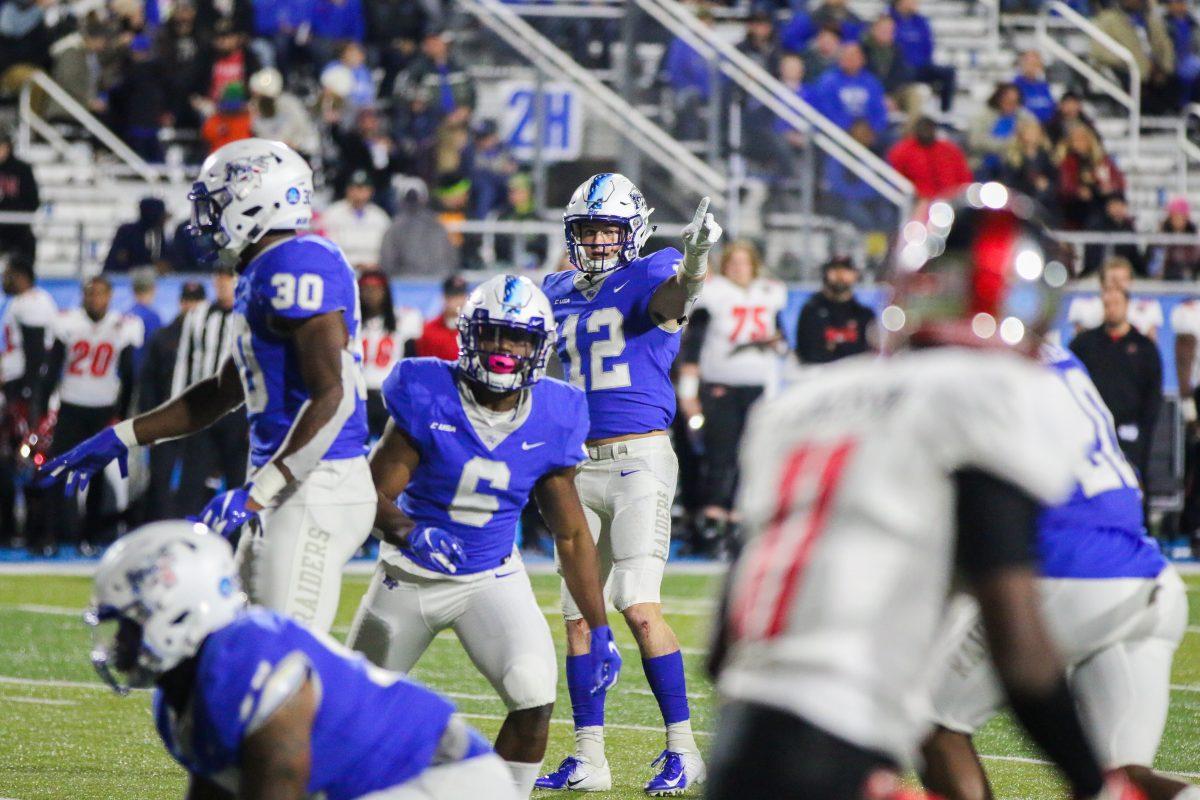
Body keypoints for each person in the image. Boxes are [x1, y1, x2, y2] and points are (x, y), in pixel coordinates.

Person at [706, 186, 1132, 800]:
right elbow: (1017, 640)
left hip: (739, 746)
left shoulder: (801, 403)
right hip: (838, 744)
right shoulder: (992, 393)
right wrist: (1094, 784)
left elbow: (724, 648)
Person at [37, 139, 375, 634]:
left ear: (258, 199)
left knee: (286, 659)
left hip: (314, 485)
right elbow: (221, 391)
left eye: (216, 203)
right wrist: (123, 436)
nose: (206, 218)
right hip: (287, 483)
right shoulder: (263, 269)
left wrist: (259, 492)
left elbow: (334, 394)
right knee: (236, 641)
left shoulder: (297, 264)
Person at [347, 274, 621, 799]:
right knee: (354, 712)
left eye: (517, 338)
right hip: (410, 578)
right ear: (469, 336)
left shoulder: (555, 413)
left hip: (490, 577)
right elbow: (368, 494)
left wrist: (599, 624)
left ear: (538, 347)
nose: (503, 349)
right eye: (493, 334)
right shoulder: (428, 392)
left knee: (533, 693)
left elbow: (571, 536)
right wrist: (410, 532)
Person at [921, 343, 1193, 800]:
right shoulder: (1057, 354)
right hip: (1149, 576)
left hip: (1071, 574)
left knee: (930, 721)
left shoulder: (963, 358)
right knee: (1124, 780)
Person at [86, 521, 519, 800]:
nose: (119, 645)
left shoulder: (248, 659)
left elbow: (278, 789)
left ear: (178, 611)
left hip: (444, 780)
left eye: (129, 625)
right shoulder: (179, 697)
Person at [537, 174, 722, 794]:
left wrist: (695, 261)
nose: (594, 241)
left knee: (638, 606)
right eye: (585, 230)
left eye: (606, 230)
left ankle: (683, 748)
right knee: (576, 619)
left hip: (638, 460)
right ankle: (590, 756)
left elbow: (677, 297)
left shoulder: (652, 272)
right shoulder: (556, 288)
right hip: (574, 468)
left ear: (632, 233)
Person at [678, 241, 788, 556]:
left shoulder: (769, 293)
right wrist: (688, 392)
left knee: (750, 457)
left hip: (758, 387)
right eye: (733, 262)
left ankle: (740, 523)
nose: (739, 268)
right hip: (720, 385)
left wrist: (775, 343)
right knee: (720, 455)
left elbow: (783, 343)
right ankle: (712, 524)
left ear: (755, 265)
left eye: (744, 262)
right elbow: (694, 346)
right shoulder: (714, 294)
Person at [41, 275, 144, 555]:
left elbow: (130, 375)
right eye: (90, 293)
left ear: (110, 296)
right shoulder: (68, 322)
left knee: (97, 477)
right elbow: (51, 370)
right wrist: (42, 411)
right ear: (83, 295)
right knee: (58, 470)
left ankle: (89, 537)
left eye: (100, 293)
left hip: (103, 409)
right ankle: (52, 535)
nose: (95, 299)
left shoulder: (124, 325)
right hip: (71, 406)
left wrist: (121, 415)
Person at [171, 265, 249, 517]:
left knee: (239, 479)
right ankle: (189, 538)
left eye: (229, 279)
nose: (223, 284)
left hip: (238, 412)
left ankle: (239, 545)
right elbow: (184, 362)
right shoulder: (199, 315)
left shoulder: (251, 316)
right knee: (192, 482)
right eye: (220, 279)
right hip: (203, 409)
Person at [1070, 286, 1163, 483]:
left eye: (1116, 304)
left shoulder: (1144, 347)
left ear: (1127, 305)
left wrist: (1144, 432)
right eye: (1107, 304)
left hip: (1130, 434)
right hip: (1091, 434)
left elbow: (1153, 393)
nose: (1111, 309)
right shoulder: (1084, 344)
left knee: (1131, 484)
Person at [138, 280, 207, 522]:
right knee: (160, 479)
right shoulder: (163, 336)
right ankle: (159, 531)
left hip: (200, 421)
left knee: (197, 480)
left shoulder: (212, 337)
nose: (191, 306)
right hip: (168, 420)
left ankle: (193, 532)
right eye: (187, 301)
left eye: (196, 301)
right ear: (180, 302)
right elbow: (148, 383)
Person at [0, 255, 55, 546]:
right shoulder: (27, 302)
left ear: (21, 276)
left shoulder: (31, 303)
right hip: (20, 390)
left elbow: (35, 356)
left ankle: (35, 532)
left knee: (29, 461)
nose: (4, 280)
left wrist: (30, 397)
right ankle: (17, 529)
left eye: (8, 275)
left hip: (25, 394)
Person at [358, 269, 421, 439]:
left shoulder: (405, 318)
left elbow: (410, 361)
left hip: (389, 395)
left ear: (386, 292)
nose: (371, 294)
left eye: (376, 289)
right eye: (366, 289)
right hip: (360, 395)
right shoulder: (351, 322)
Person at [795, 256, 876, 365]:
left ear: (855, 275)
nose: (840, 275)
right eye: (835, 270)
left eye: (846, 270)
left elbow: (868, 354)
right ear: (825, 274)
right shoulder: (811, 311)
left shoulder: (864, 314)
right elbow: (809, 353)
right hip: (820, 377)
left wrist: (836, 347)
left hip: (855, 377)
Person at [1067, 256, 1162, 342]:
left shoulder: (1148, 306)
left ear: (1131, 281)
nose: (1118, 285)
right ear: (1102, 282)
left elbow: (1151, 343)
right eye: (1114, 280)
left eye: (1123, 280)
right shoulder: (1083, 305)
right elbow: (1078, 343)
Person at [1056, 123, 1125, 230]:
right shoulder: (1067, 162)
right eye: (1076, 140)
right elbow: (1064, 187)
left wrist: (1111, 190)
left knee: (1119, 214)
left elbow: (1118, 182)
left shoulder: (1102, 160)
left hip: (1102, 199)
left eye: (1082, 139)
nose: (1079, 143)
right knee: (1095, 217)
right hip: (1077, 205)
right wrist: (1077, 191)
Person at [890, 0, 956, 113]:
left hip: (921, 67)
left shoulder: (921, 21)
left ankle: (945, 112)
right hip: (899, 68)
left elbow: (928, 46)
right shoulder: (889, 19)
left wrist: (924, 62)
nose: (916, 2)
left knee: (948, 72)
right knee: (906, 72)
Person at [886, 117, 973, 202]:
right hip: (918, 201)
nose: (926, 132)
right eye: (923, 129)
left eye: (929, 128)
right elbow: (897, 180)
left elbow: (964, 177)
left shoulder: (950, 150)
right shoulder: (902, 151)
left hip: (951, 200)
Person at [320, 170, 391, 271]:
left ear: (370, 191)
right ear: (347, 190)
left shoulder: (380, 216)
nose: (358, 193)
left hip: (373, 272)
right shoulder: (332, 214)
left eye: (363, 189)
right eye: (354, 188)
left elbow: (387, 250)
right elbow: (329, 249)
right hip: (342, 269)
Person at [811, 42, 889, 135]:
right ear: (840, 59)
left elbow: (879, 109)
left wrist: (872, 129)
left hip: (870, 133)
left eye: (854, 56)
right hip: (839, 132)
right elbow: (827, 110)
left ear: (862, 59)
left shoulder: (871, 82)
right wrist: (849, 127)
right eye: (847, 56)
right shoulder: (828, 81)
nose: (850, 60)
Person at [380, 184, 459, 276]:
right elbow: (387, 261)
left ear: (424, 199)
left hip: (437, 281)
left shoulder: (437, 225)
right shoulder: (394, 227)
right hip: (404, 282)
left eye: (416, 198)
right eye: (410, 198)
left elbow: (450, 257)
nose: (413, 202)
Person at [967, 83, 1035, 174]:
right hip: (982, 164)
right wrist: (1007, 144)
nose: (1010, 104)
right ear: (999, 99)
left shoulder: (1025, 117)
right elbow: (975, 141)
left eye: (1014, 101)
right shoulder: (983, 116)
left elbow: (1034, 138)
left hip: (1014, 166)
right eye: (1007, 100)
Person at [0, 130, 40, 263]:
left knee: (25, 253)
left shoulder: (22, 169)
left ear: (8, 147)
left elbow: (33, 202)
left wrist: (10, 208)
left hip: (18, 230)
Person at [104, 198, 171, 274]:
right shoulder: (127, 232)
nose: (164, 221)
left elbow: (164, 261)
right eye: (161, 217)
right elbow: (117, 262)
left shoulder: (158, 234)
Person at [414, 274, 469, 361]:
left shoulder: (474, 329)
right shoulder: (429, 330)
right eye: (453, 296)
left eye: (461, 296)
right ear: (444, 297)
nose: (458, 301)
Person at [1153, 196, 1200, 281]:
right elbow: (1155, 264)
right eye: (1175, 215)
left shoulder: (1193, 236)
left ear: (1187, 217)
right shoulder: (1162, 236)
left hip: (1188, 280)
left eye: (1181, 216)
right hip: (1165, 280)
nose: (1178, 219)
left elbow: (1196, 261)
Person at [127, 267, 163, 376]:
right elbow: (158, 349)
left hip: (126, 376)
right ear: (153, 289)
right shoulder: (152, 317)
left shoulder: (126, 314)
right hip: (144, 375)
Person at [1013, 50, 1056, 124]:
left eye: (1035, 64)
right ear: (1021, 64)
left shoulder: (1044, 86)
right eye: (1029, 63)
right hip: (1024, 127)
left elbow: (1051, 108)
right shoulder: (1014, 85)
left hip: (1047, 126)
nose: (1032, 67)